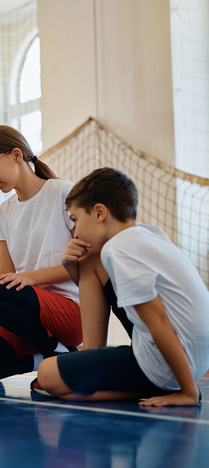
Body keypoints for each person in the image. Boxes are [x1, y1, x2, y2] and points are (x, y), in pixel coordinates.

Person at [37, 168, 209, 406]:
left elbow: (158, 319)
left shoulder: (117, 249)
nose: (74, 232)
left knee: (47, 374)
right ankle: (92, 364)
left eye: (75, 220)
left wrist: (189, 392)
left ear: (99, 213)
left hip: (166, 368)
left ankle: (131, 386)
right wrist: (70, 266)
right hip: (196, 360)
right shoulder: (149, 234)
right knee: (89, 260)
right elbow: (103, 292)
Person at [0, 125, 82, 388]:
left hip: (70, 311)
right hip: (28, 318)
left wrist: (28, 278)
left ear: (17, 155)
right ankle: (46, 356)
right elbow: (7, 278)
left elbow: (84, 266)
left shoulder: (63, 193)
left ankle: (58, 351)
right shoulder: (4, 212)